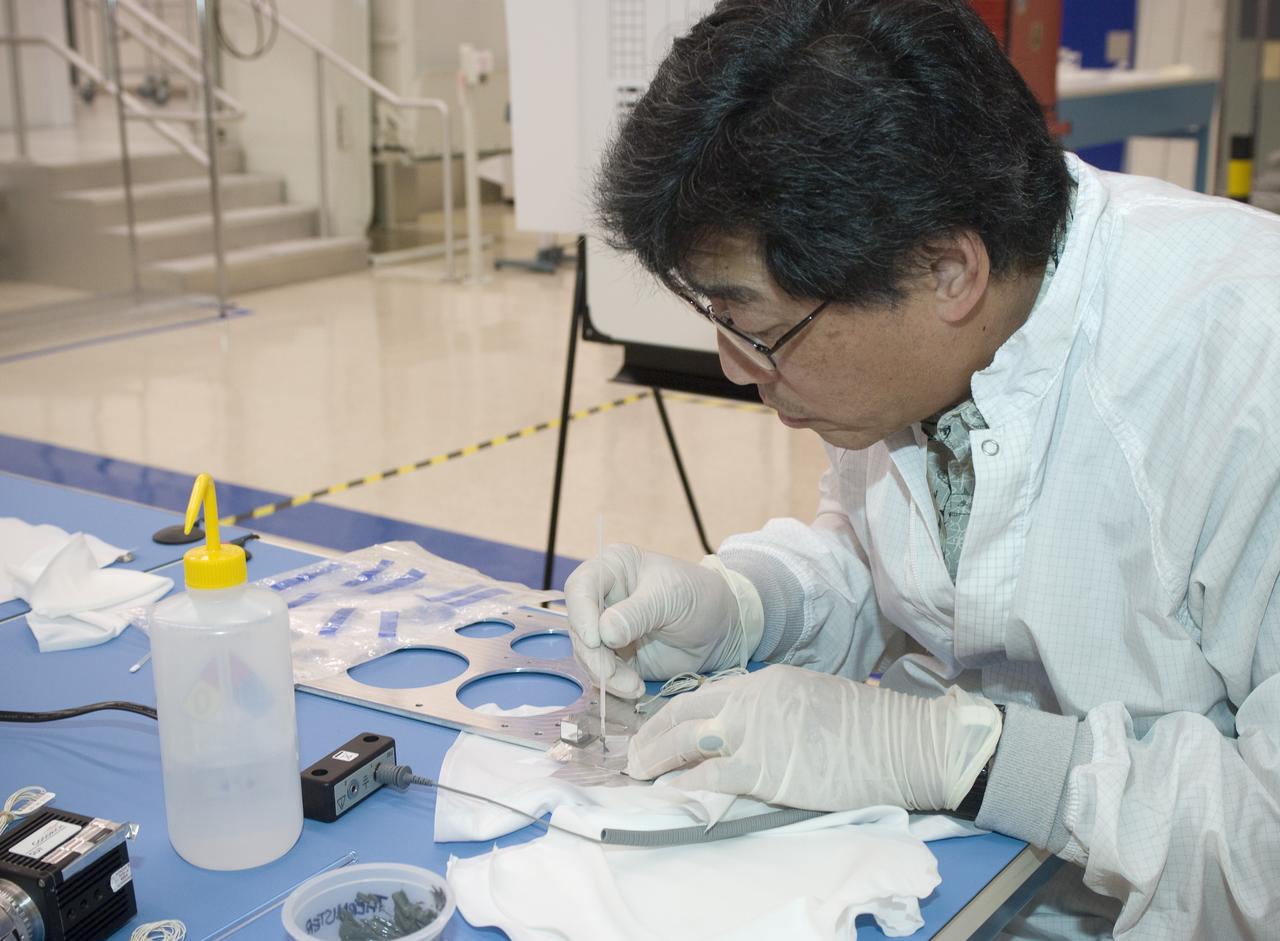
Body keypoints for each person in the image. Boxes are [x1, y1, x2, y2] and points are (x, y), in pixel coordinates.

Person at [561, 1, 1280, 938]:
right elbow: (891, 560)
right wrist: (746, 604)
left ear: (948, 270)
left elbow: (1265, 844)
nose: (738, 368)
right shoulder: (910, 337)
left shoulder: (1241, 368)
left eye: (762, 330)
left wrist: (957, 755)